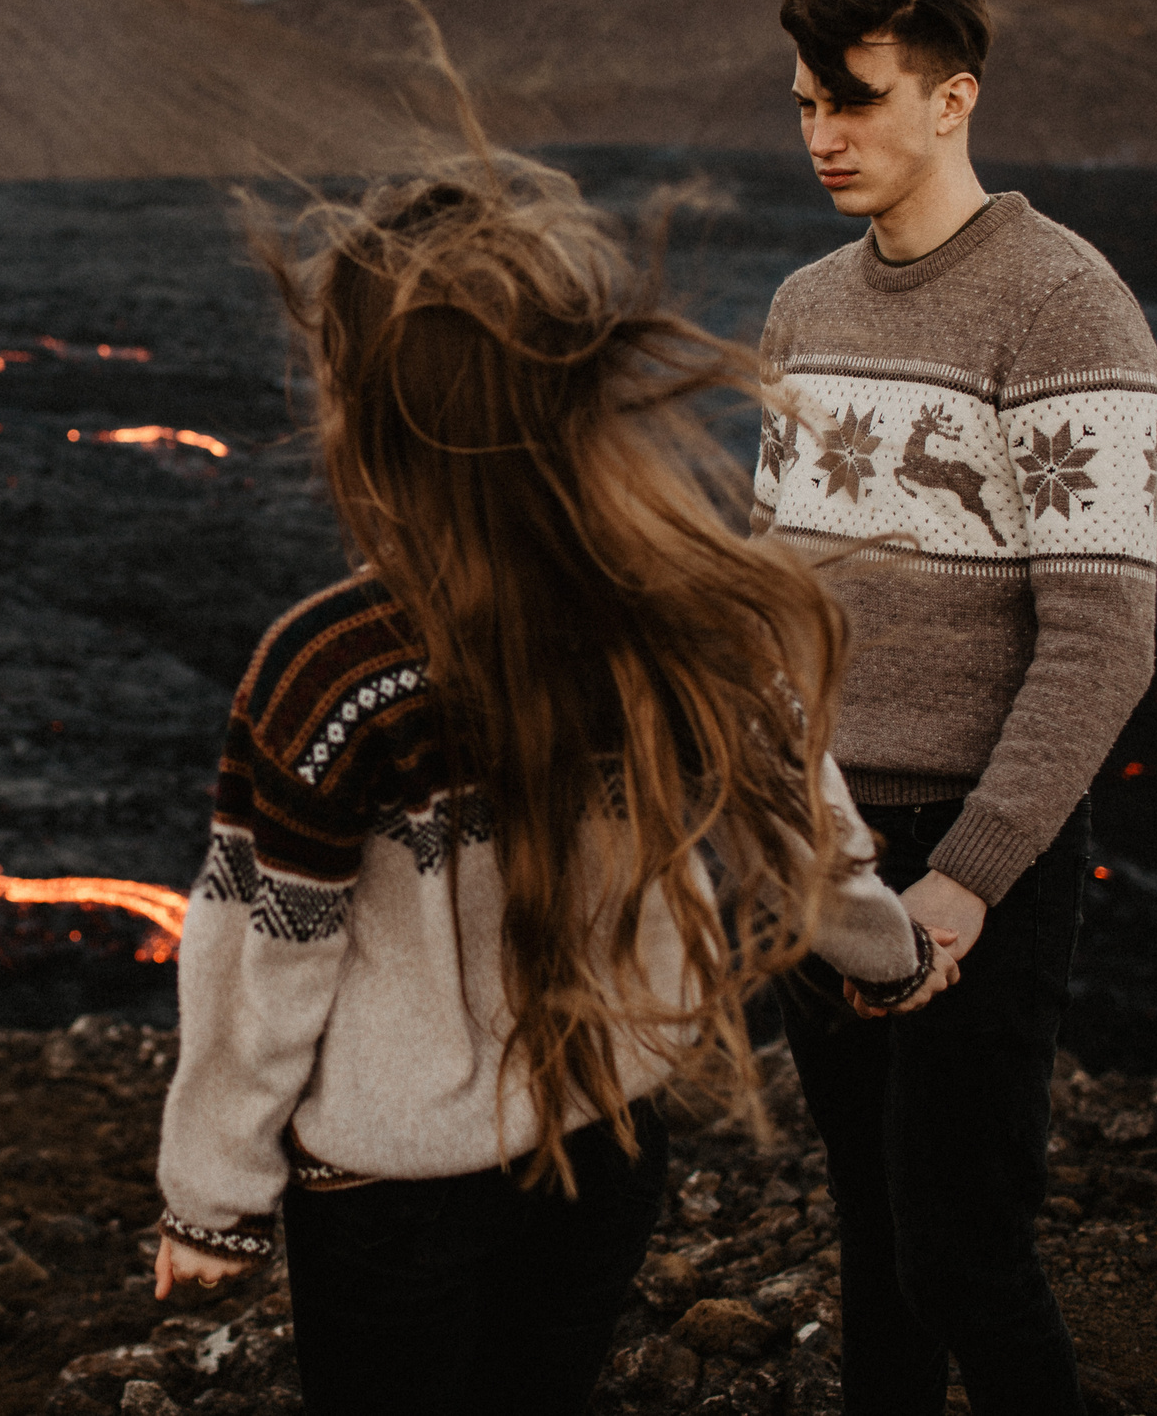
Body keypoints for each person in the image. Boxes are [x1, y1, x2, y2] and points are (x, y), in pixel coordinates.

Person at [148, 94, 958, 1416]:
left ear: (369, 410)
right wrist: (896, 961)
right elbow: (804, 835)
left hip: (393, 1186)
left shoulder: (335, 669)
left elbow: (265, 957)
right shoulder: (690, 603)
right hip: (610, 1133)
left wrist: (214, 1204)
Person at [752, 0, 1157, 1415]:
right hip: (828, 850)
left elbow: (1103, 636)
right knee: (876, 1243)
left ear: (953, 99)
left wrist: (975, 875)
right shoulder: (804, 304)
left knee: (965, 1258)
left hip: (974, 856)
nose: (820, 136)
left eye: (853, 100)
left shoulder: (1065, 307)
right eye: (803, 102)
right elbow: (770, 586)